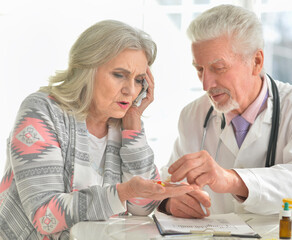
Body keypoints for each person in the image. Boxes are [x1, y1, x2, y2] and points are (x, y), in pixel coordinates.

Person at [0, 20, 196, 239]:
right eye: (119, 75)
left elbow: (141, 207)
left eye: (139, 80)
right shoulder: (41, 111)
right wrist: (123, 192)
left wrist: (133, 123)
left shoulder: (122, 121)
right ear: (87, 69)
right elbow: (45, 217)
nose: (130, 90)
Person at [159, 4, 292, 218]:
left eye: (218, 68)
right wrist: (169, 202)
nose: (206, 84)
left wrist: (232, 180)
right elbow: (168, 181)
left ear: (256, 62)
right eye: (199, 69)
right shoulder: (193, 115)